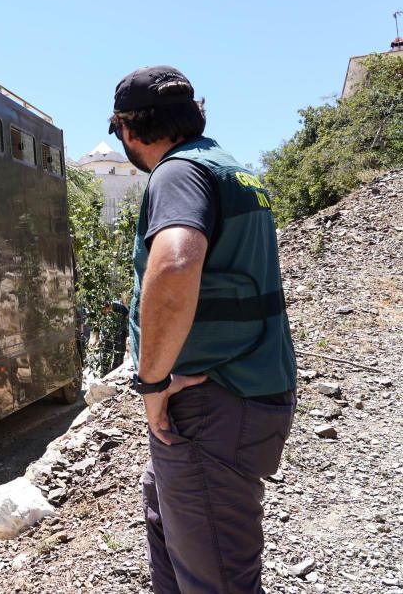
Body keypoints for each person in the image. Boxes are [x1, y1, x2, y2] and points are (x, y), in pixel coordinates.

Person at [108, 66, 297, 593]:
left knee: (217, 580)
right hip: (242, 392)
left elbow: (173, 265)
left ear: (128, 127)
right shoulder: (230, 169)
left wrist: (149, 385)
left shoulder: (177, 173)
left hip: (213, 404)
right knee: (168, 524)